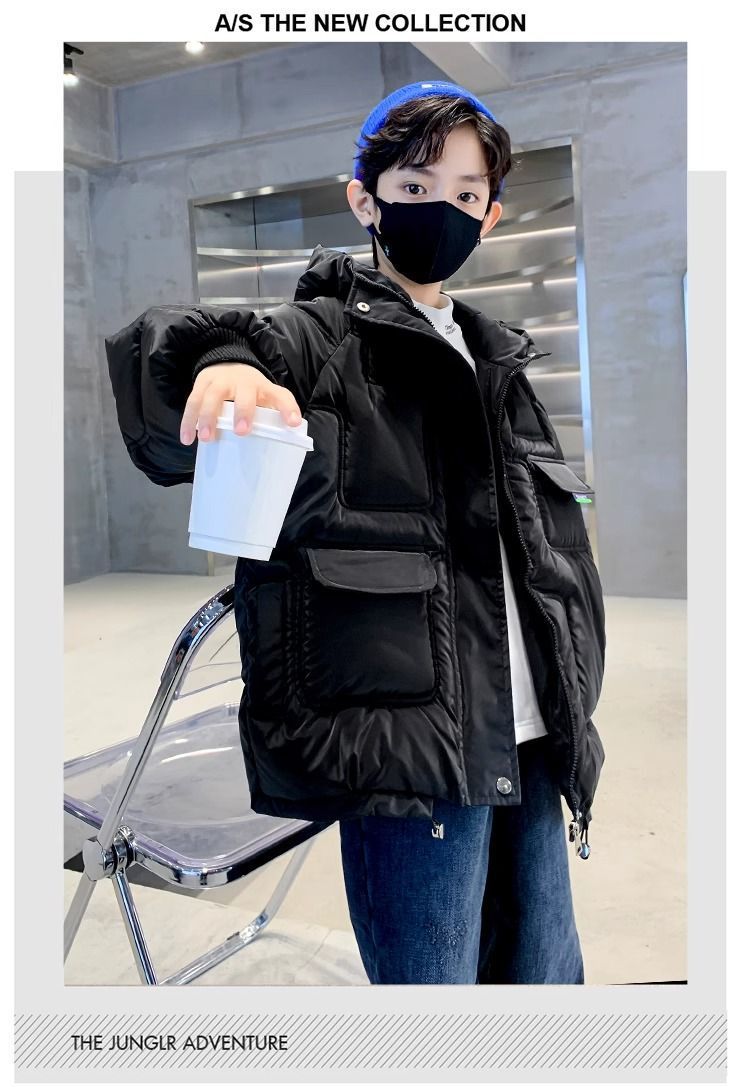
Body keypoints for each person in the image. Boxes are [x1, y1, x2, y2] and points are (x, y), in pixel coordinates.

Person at [105, 80, 606, 985]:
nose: (441, 210)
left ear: (490, 215)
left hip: (535, 729)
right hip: (410, 750)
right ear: (364, 199)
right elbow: (178, 350)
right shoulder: (316, 338)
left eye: (465, 193)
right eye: (415, 186)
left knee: (541, 976)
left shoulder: (500, 356)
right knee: (431, 993)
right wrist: (226, 368)